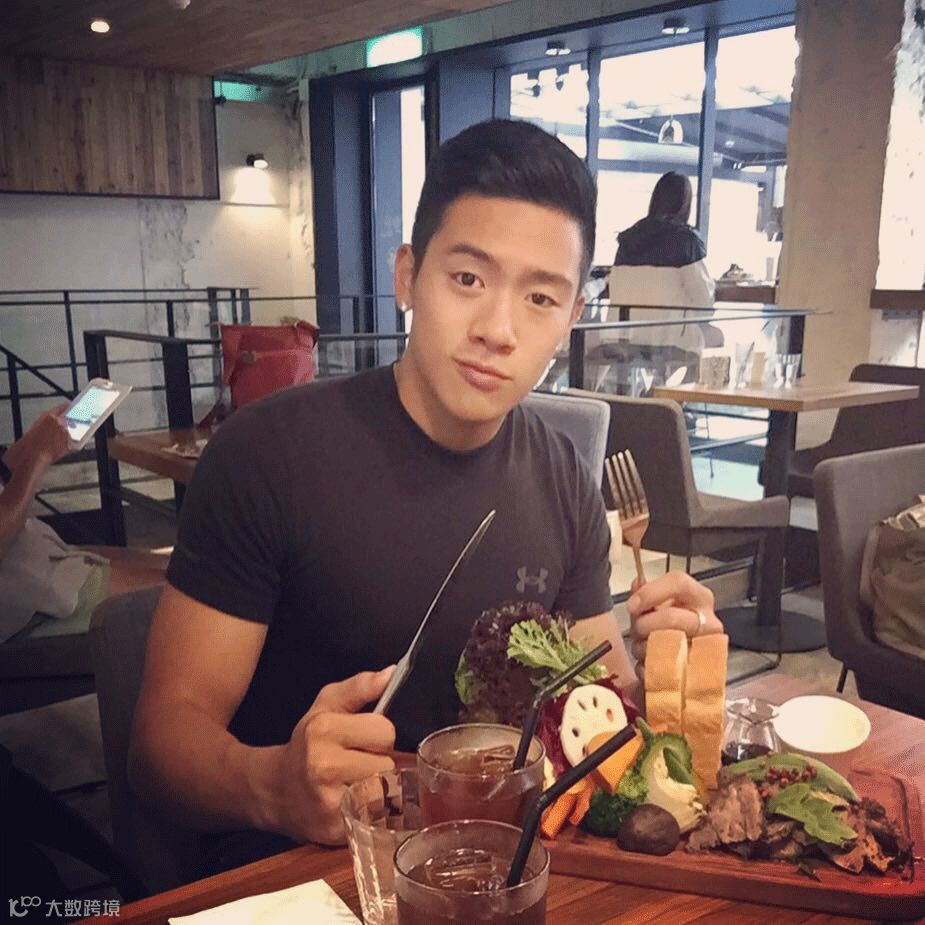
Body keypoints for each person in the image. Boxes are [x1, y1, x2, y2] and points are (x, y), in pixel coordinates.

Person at [129, 120, 723, 868]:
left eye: (540, 297)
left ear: (572, 317)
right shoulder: (267, 453)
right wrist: (273, 786)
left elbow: (596, 702)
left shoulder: (563, 476)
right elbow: (158, 748)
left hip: (500, 866)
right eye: (468, 279)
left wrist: (660, 661)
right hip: (305, 871)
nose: (498, 329)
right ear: (407, 276)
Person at [0, 407, 168, 643]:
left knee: (177, 567)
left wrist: (30, 443)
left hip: (44, 559)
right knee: (194, 593)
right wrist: (40, 454)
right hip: (36, 596)